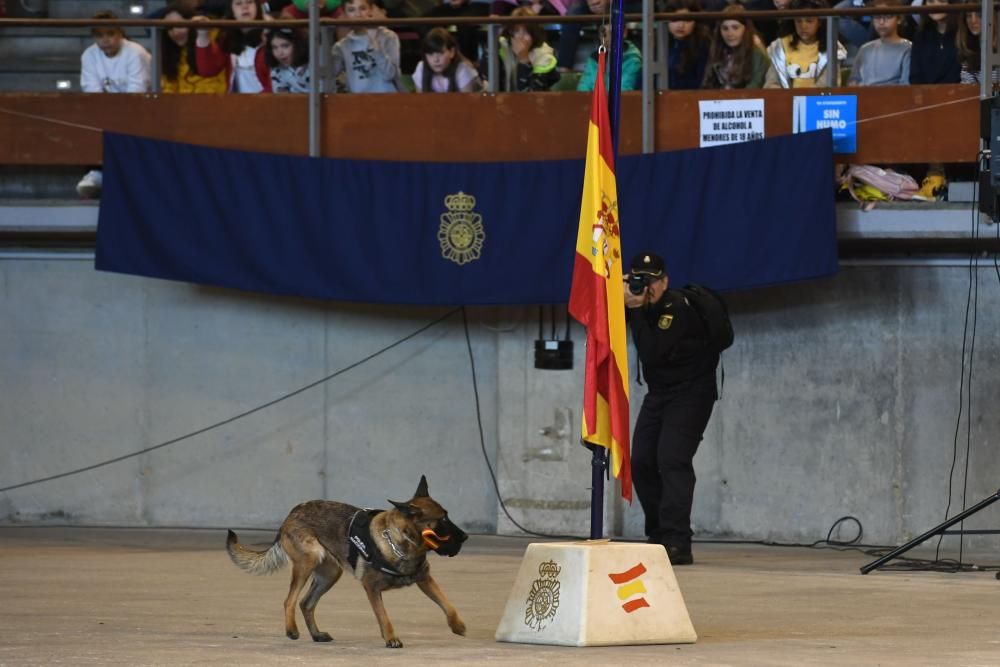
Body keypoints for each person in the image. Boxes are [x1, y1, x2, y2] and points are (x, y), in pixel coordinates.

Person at [624, 252, 719, 566]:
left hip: (692, 393)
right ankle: (659, 534)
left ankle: (678, 542)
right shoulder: (643, 307)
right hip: (660, 393)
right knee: (640, 459)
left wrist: (636, 310)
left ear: (664, 281)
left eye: (651, 281)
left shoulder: (674, 309)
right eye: (639, 280)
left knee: (672, 460)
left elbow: (653, 353)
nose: (645, 287)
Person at [77, 10, 152, 198]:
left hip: (141, 108)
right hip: (107, 109)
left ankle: (128, 177)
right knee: (88, 118)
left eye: (110, 34)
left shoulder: (135, 53)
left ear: (120, 33)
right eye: (100, 35)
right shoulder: (89, 55)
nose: (105, 40)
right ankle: (96, 173)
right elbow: (92, 92)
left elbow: (137, 92)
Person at [194, 0, 272, 93]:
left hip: (268, 102)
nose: (245, 7)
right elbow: (207, 70)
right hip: (236, 103)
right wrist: (202, 34)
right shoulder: (227, 38)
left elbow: (275, 83)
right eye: (238, 3)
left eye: (250, 2)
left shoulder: (270, 34)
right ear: (231, 10)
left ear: (257, 7)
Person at [764, 0, 846, 88]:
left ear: (820, 22)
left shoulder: (832, 47)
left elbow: (827, 86)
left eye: (809, 21)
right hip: (785, 100)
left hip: (817, 101)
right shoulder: (780, 46)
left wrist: (803, 100)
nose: (803, 26)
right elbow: (771, 83)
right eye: (798, 21)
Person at [330, 0, 402, 92]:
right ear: (344, 15)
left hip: (388, 98)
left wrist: (374, 42)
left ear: (371, 9)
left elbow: (390, 75)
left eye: (363, 8)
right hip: (358, 101)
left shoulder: (388, 36)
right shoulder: (342, 46)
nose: (358, 14)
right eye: (351, 10)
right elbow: (328, 76)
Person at [160, 4, 229, 93]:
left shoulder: (214, 42)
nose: (175, 32)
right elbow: (169, 89)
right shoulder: (169, 53)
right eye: (169, 28)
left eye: (179, 25)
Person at [702, 3, 770, 89]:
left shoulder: (757, 55)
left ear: (746, 29)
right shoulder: (717, 51)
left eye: (735, 27)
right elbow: (707, 84)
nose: (730, 33)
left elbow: (754, 88)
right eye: (725, 28)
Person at [848, 0, 911, 85]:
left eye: (888, 16)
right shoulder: (865, 49)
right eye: (877, 16)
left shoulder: (907, 48)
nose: (881, 22)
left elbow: (906, 85)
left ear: (899, 19)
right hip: (864, 96)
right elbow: (853, 81)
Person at [498, 7, 560, 91]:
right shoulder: (501, 47)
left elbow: (529, 95)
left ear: (534, 35)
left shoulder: (544, 57)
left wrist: (524, 58)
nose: (520, 37)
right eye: (516, 31)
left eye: (526, 32)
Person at [412, 27, 484, 92]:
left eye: (440, 53)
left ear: (452, 52)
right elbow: (421, 103)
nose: (436, 60)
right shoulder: (421, 68)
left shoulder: (463, 70)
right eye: (430, 54)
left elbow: (467, 104)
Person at [577, 23, 641, 92]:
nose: (607, 39)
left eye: (611, 33)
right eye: (603, 34)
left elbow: (623, 92)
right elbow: (582, 89)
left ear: (624, 33)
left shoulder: (632, 59)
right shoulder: (594, 59)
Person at [908, 0, 960, 84]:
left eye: (942, 1)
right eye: (931, 1)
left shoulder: (961, 35)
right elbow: (915, 76)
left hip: (956, 94)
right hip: (924, 94)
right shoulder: (920, 35)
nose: (935, 6)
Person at [663, 0, 711, 89]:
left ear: (695, 22)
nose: (681, 25)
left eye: (687, 20)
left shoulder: (703, 45)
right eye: (675, 19)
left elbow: (701, 83)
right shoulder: (659, 41)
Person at [266, 27, 311, 92]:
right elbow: (283, 99)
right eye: (275, 47)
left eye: (285, 46)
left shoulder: (314, 64)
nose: (280, 52)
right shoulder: (276, 70)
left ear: (297, 45)